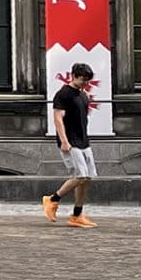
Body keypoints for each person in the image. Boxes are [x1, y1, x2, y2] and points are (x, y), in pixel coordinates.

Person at [42, 62, 97, 229]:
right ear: (73, 76)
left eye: (87, 80)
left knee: (87, 178)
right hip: (71, 141)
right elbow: (58, 118)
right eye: (82, 80)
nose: (85, 83)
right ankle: (52, 199)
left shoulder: (83, 95)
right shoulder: (64, 94)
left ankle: (77, 214)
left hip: (83, 140)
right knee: (79, 176)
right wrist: (64, 141)